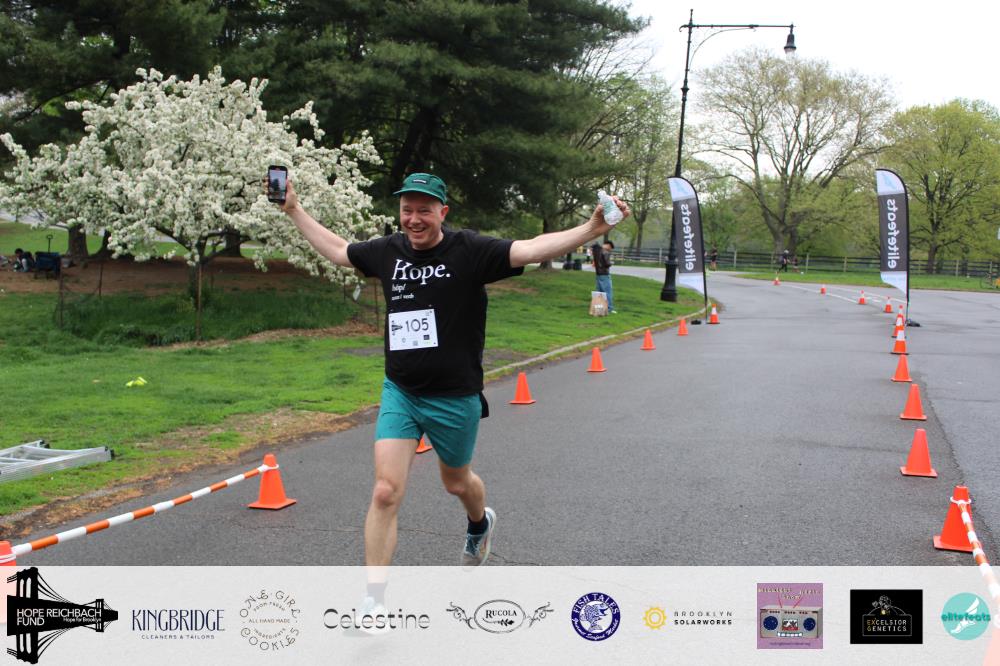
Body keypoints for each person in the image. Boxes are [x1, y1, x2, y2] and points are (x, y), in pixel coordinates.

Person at [275, 172, 628, 603]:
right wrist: (294, 209)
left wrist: (591, 229)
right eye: (407, 210)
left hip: (454, 397)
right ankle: (374, 601)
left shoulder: (469, 251)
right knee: (385, 491)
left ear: (443, 212)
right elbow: (338, 251)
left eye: (424, 210)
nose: (414, 219)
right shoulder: (388, 251)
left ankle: (479, 522)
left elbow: (533, 248)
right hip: (402, 392)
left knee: (457, 483)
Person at [593, 239, 616, 313]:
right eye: (611, 248)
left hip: (598, 273)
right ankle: (609, 308)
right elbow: (607, 263)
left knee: (599, 291)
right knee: (608, 292)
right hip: (605, 274)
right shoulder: (606, 252)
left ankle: (599, 308)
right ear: (609, 246)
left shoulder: (597, 251)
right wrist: (611, 263)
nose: (610, 250)